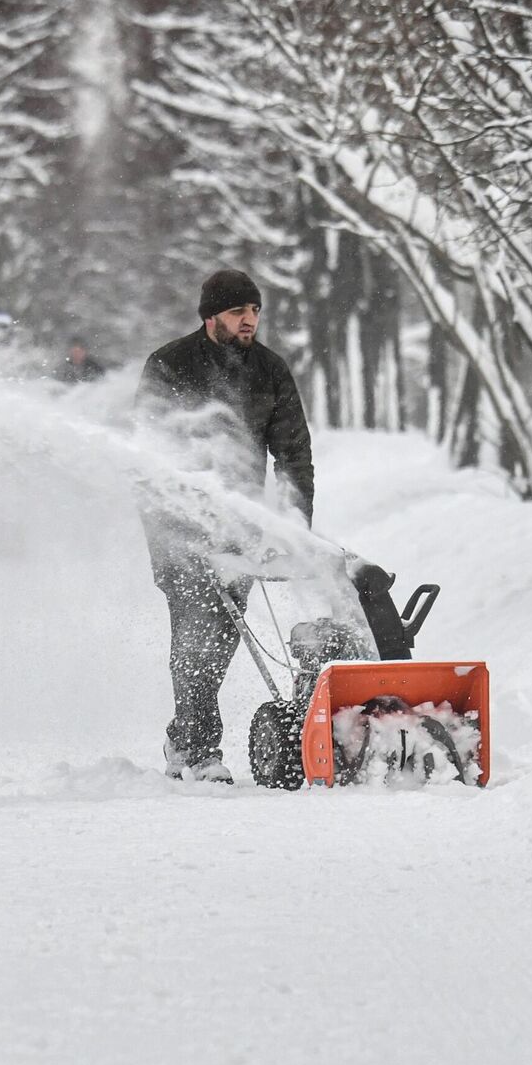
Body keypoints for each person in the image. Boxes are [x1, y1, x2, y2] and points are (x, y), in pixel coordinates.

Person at [134, 268, 314, 783]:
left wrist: (295, 523)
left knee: (223, 638)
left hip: (240, 527)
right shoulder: (170, 364)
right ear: (211, 316)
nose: (249, 321)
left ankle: (180, 736)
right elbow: (150, 449)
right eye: (239, 312)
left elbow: (294, 456)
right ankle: (200, 754)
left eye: (255, 311)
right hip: (176, 526)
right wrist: (180, 514)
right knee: (195, 634)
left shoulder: (270, 370)